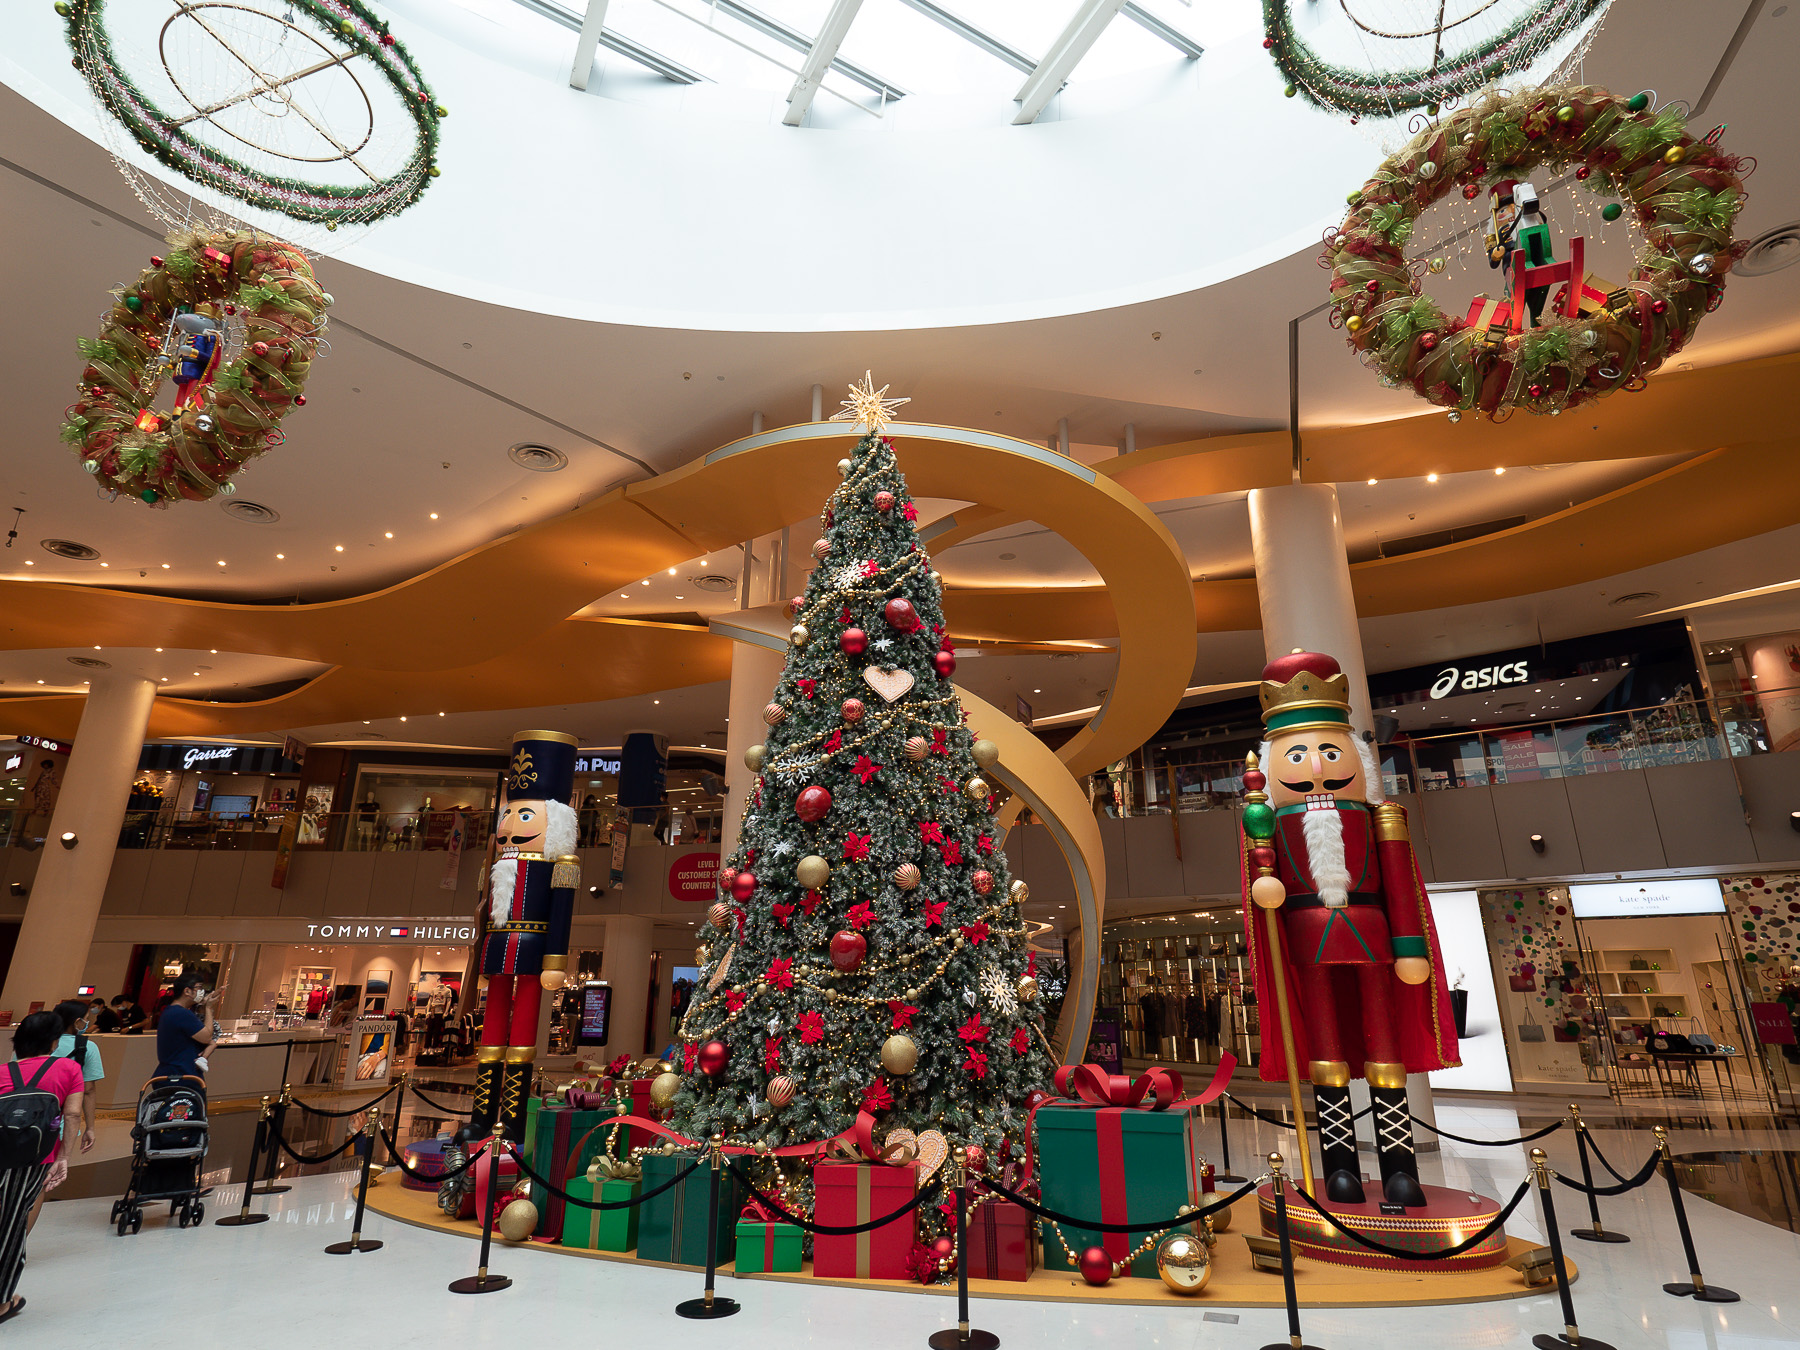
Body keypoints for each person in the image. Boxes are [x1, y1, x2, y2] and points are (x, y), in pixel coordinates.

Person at [0, 1010, 85, 1324]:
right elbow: (72, 1114)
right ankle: (1, 1300)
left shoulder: (3, 1071)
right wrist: (64, 1157)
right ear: (53, 1042)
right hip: (32, 1159)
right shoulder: (68, 1068)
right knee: (10, 1226)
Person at [51, 1001, 101, 1158]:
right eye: (86, 1019)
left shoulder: (33, 1042)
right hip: (60, 1124)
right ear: (77, 1021)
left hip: (22, 1119)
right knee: (55, 1166)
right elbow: (88, 1090)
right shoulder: (87, 1047)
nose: (87, 1023)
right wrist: (90, 1128)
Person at [154, 975, 218, 1080]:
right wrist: (209, 1008)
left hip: (171, 1072)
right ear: (187, 991)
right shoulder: (181, 1013)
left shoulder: (172, 1011)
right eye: (199, 987)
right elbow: (207, 1036)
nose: (202, 992)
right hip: (181, 1075)